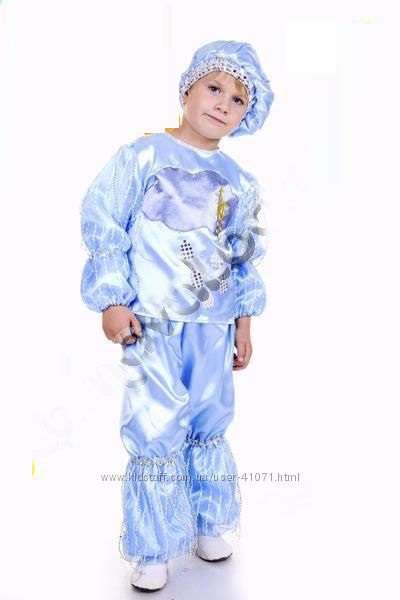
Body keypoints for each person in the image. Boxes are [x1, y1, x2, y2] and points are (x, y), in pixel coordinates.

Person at [80, 39, 274, 592]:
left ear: (246, 115)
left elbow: (243, 256)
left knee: (210, 418)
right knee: (156, 421)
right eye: (215, 88)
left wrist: (243, 322)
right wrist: (112, 299)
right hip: (152, 321)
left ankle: (209, 521)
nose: (223, 104)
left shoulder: (238, 181)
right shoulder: (141, 157)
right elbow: (105, 222)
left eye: (238, 100)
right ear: (188, 88)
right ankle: (153, 546)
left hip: (213, 323)